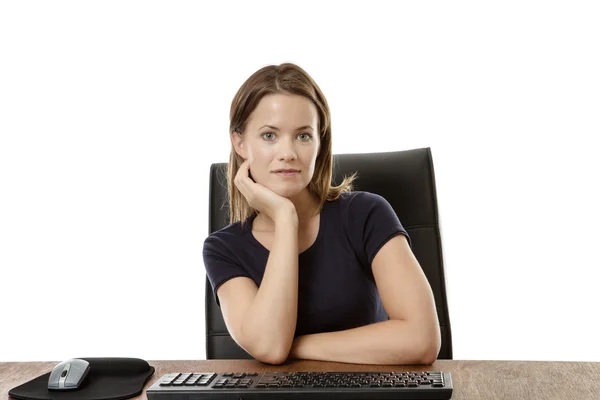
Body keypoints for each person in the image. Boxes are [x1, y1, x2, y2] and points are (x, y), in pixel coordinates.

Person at [203, 63, 441, 365]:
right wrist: (286, 219)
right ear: (240, 142)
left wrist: (297, 345)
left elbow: (421, 340)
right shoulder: (223, 249)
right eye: (269, 136)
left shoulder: (366, 214)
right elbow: (270, 346)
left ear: (319, 143)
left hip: (368, 392)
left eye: (303, 136)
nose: (288, 152)